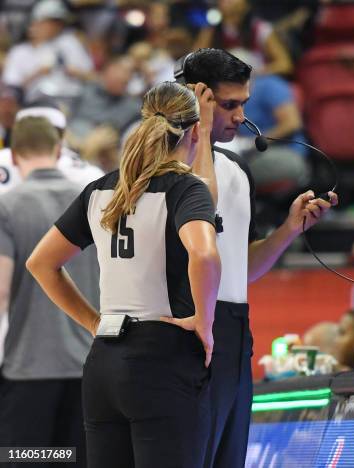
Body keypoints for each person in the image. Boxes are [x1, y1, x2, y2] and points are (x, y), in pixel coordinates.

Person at [26, 81, 221, 468]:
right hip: (162, 358)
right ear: (195, 131)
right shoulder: (186, 188)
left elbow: (42, 263)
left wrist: (94, 322)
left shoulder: (102, 189)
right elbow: (204, 255)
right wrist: (205, 321)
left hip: (103, 362)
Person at [174, 48, 337, 468]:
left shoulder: (236, 169)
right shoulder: (163, 167)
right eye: (228, 105)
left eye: (243, 104)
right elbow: (201, 201)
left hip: (233, 332)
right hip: (181, 332)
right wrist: (202, 125)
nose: (241, 117)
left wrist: (288, 231)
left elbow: (239, 270)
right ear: (198, 100)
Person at [0, 117, 99, 467]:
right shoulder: (93, 201)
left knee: (25, 459)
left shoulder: (7, 207)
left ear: (13, 157)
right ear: (58, 150)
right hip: (89, 366)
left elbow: (0, 290)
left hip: (29, 369)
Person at [2, 0, 93, 102]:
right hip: (36, 102)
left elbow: (92, 77)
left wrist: (76, 72)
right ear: (35, 23)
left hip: (73, 99)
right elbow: (12, 90)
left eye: (59, 23)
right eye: (50, 22)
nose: (56, 26)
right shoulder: (19, 51)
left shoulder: (70, 42)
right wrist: (38, 73)